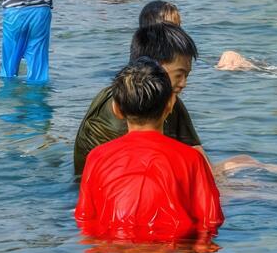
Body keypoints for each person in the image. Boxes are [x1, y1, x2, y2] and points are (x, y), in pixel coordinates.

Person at [75, 58, 224, 242]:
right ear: (170, 105)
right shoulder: (192, 158)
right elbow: (210, 221)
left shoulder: (97, 157)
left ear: (117, 109)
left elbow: (85, 219)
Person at [73, 23, 205, 175]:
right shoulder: (127, 106)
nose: (184, 84)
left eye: (186, 76)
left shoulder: (168, 98)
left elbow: (195, 149)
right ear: (153, 68)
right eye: (179, 75)